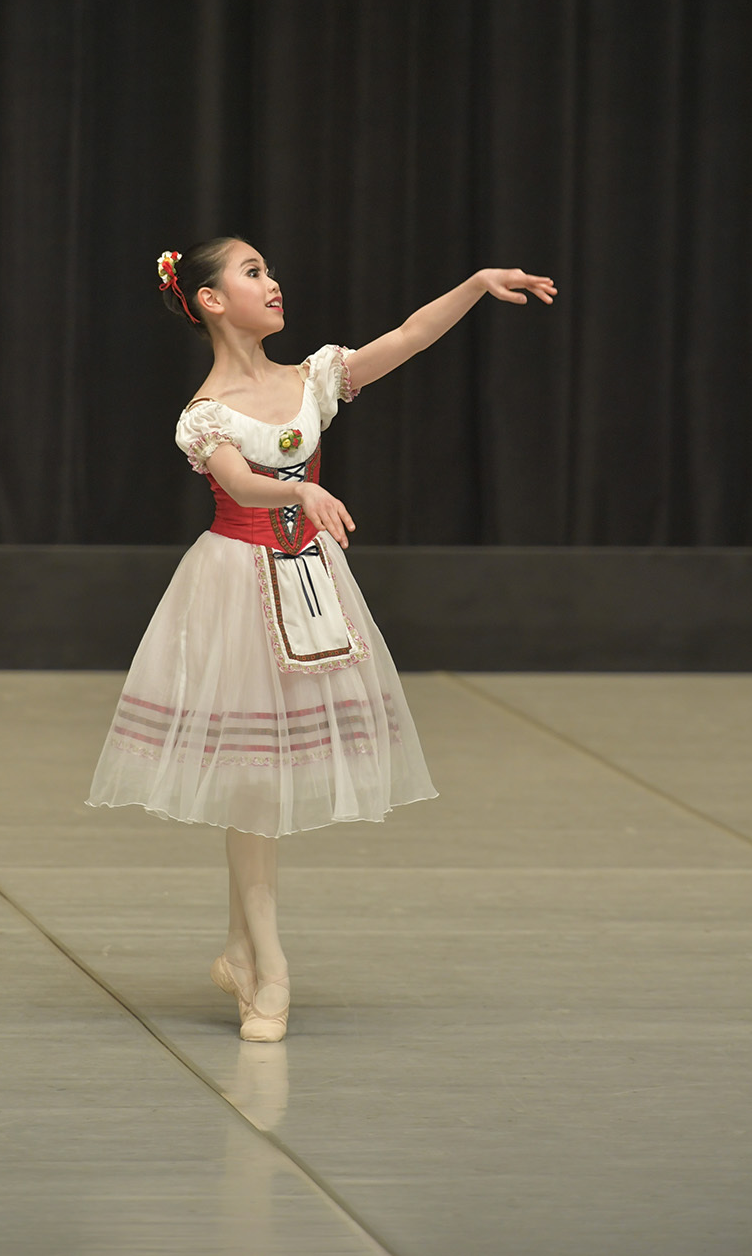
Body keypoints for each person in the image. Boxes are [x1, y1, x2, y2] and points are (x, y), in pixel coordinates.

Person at [87, 238, 556, 1041]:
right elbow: (241, 485)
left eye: (269, 270)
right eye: (253, 273)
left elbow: (407, 338)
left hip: (306, 587)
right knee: (252, 781)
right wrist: (300, 493)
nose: (273, 283)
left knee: (264, 782)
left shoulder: (312, 379)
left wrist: (476, 284)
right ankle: (268, 965)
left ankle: (242, 952)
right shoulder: (206, 413)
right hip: (236, 585)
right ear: (210, 300)